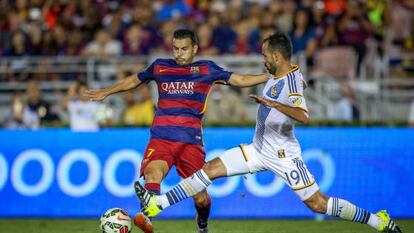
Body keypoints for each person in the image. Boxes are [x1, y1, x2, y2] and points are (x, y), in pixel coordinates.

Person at [134, 32, 403, 233]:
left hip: (284, 155)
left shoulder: (292, 82)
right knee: (207, 171)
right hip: (257, 150)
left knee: (318, 204)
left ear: (276, 56)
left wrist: (274, 103)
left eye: (264, 55)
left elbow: (304, 115)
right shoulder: (278, 75)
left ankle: (376, 219)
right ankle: (159, 204)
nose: (262, 60)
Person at [83, 29, 269, 233]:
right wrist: (107, 92)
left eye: (184, 49)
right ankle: (146, 217)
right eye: (176, 49)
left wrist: (270, 77)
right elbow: (135, 80)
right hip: (161, 138)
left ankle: (202, 223)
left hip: (191, 141)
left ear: (195, 49)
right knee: (153, 174)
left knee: (200, 197)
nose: (179, 53)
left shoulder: (207, 69)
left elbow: (240, 80)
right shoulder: (160, 66)